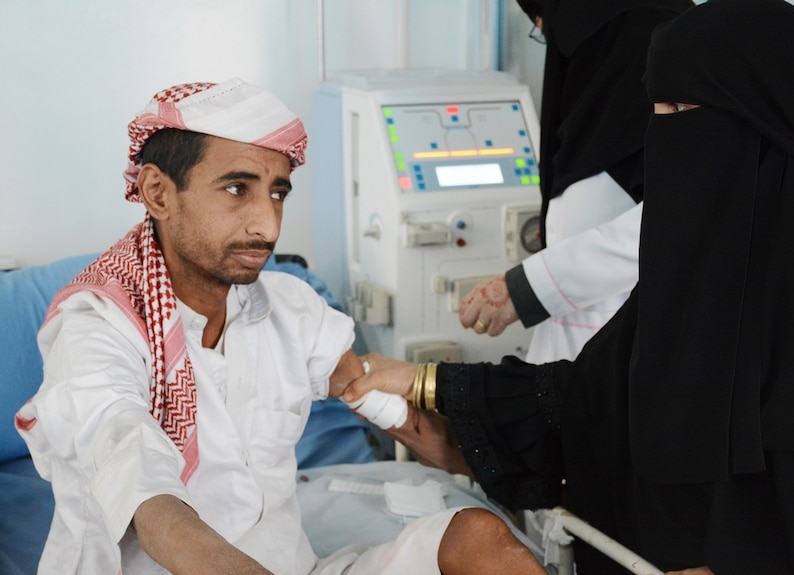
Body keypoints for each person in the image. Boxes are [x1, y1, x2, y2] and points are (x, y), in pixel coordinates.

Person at [345, 1, 794, 573]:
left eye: (683, 108)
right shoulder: (693, 276)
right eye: (657, 109)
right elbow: (586, 400)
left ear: (767, 122)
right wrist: (429, 388)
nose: (662, 135)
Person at [14, 79, 546, 575]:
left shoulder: (290, 306)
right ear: (158, 193)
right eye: (236, 189)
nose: (267, 225)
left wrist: (529, 481)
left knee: (479, 538)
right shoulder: (96, 330)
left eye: (277, 192)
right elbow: (142, 490)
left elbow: (385, 407)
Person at [458, 0, 690, 363]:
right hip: (581, 384)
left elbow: (673, 226)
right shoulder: (594, 129)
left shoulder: (677, 117)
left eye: (544, 25)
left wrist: (526, 289)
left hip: (635, 384)